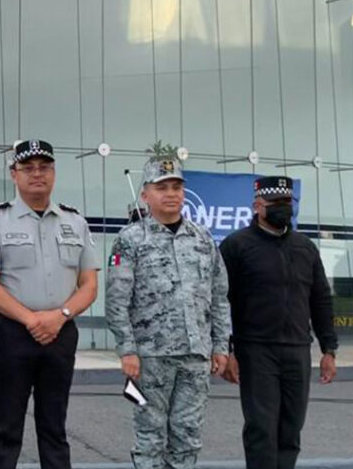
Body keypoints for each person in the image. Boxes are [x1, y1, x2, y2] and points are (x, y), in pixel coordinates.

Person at [0, 139, 99, 469]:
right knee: (7, 428)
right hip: (13, 333)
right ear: (14, 174)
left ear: (53, 172)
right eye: (28, 168)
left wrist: (60, 316)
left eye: (44, 167)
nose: (37, 174)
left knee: (54, 428)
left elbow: (89, 285)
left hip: (60, 333)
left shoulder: (75, 222)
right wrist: (31, 319)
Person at [105, 155, 231, 469]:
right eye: (162, 187)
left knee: (187, 436)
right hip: (149, 359)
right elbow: (117, 300)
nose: (171, 193)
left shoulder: (202, 239)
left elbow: (219, 296)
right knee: (149, 436)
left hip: (195, 357)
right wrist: (127, 350)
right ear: (145, 194)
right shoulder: (131, 240)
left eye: (176, 186)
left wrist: (220, 346)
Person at [220, 175, 338, 469]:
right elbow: (220, 301)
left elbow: (321, 299)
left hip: (297, 349)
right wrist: (226, 349)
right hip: (256, 351)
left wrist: (329, 349)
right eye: (276, 203)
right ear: (258, 206)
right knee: (261, 427)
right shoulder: (236, 246)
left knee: (291, 428)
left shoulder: (305, 248)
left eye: (288, 202)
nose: (283, 208)